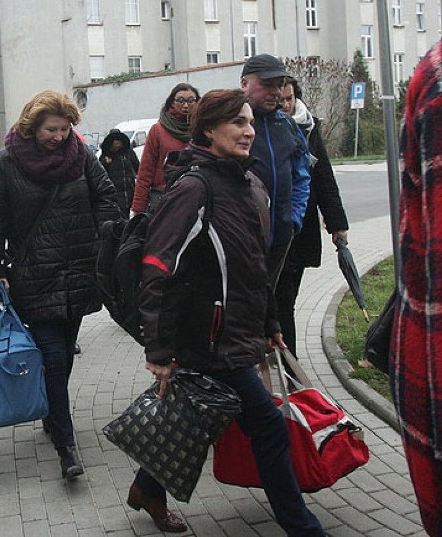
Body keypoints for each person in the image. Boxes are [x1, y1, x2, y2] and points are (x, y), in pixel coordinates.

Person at [132, 88, 324, 536]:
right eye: (237, 123)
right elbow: (157, 267)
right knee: (268, 428)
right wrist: (158, 351)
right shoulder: (194, 188)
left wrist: (271, 322)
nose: (248, 130)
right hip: (207, 338)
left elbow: (256, 265)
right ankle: (302, 526)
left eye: (250, 122)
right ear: (208, 130)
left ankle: (148, 487)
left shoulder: (250, 183)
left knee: (194, 422)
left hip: (237, 332)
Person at [0, 89, 119, 480]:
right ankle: (66, 443)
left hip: (78, 270)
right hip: (34, 275)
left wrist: (101, 240)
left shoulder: (81, 156)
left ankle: (52, 413)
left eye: (65, 128)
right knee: (53, 357)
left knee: (64, 357)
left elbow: (107, 199)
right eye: (51, 129)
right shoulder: (7, 164)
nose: (59, 136)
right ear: (32, 127)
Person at [392, 39, 442, 537]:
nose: (249, 130)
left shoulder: (295, 130)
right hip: (220, 320)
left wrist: (335, 226)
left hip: (286, 262)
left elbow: (316, 179)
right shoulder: (194, 183)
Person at [275, 80, 349, 354]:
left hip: (303, 225)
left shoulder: (310, 126)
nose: (285, 105)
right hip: (275, 224)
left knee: (289, 295)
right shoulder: (262, 128)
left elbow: (323, 176)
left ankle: (279, 347)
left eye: (289, 98)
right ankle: (289, 361)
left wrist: (337, 223)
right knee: (281, 299)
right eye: (279, 100)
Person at [240, 54, 311, 285]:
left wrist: (294, 219)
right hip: (242, 241)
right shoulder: (231, 123)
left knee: (272, 307)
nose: (276, 92)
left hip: (281, 237)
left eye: (279, 85)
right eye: (267, 85)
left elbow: (301, 175)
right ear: (244, 84)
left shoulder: (288, 125)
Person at [131, 83, 200, 216]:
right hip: (163, 196)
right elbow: (146, 170)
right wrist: (138, 208)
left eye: (191, 101)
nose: (186, 105)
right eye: (180, 100)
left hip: (196, 195)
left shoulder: (202, 128)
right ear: (171, 103)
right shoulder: (158, 130)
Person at [99, 128, 139, 214]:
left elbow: (137, 166)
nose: (117, 145)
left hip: (129, 189)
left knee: (127, 212)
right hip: (115, 191)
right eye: (115, 143)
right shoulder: (106, 155)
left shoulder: (128, 152)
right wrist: (106, 162)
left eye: (119, 143)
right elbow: (99, 172)